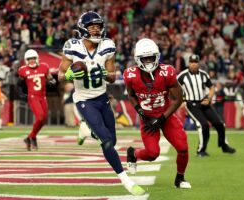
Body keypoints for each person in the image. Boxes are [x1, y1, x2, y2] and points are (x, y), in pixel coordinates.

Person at [57, 11, 145, 196]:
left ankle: (87, 130)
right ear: (83, 29)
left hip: (102, 97)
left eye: (98, 27)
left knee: (111, 140)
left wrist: (106, 74)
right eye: (92, 27)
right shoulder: (72, 46)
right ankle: (126, 181)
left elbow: (112, 77)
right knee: (106, 142)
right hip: (84, 100)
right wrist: (69, 75)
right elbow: (59, 75)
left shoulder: (108, 45)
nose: (97, 30)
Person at [123, 38, 191, 189]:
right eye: (144, 58)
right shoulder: (130, 75)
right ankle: (133, 153)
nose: (148, 61)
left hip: (165, 115)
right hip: (146, 118)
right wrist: (140, 111)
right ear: (137, 59)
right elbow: (131, 95)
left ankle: (180, 178)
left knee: (183, 148)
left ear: (157, 57)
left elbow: (179, 98)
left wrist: (162, 118)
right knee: (153, 154)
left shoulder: (167, 72)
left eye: (151, 57)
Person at [177, 54, 236, 157]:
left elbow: (212, 88)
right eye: (191, 62)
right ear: (189, 63)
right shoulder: (182, 76)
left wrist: (208, 99)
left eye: (195, 62)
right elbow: (174, 88)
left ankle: (224, 146)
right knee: (203, 125)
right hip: (192, 105)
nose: (193, 64)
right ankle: (201, 150)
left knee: (220, 124)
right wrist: (181, 99)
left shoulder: (204, 74)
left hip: (204, 103)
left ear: (198, 63)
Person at [17, 49, 56, 151]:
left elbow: (50, 77)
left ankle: (29, 137)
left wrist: (52, 81)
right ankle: (33, 137)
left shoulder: (44, 67)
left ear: (37, 59)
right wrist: (21, 92)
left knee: (43, 120)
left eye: (33, 58)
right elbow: (20, 83)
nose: (32, 61)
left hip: (43, 97)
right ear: (26, 60)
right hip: (33, 97)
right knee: (40, 117)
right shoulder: (23, 70)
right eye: (29, 59)